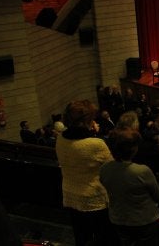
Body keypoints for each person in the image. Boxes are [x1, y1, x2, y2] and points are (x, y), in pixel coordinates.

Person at [55, 100, 115, 246]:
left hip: (71, 195)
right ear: (87, 121)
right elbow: (112, 169)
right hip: (94, 199)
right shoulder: (96, 144)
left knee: (81, 236)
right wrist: (96, 135)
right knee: (104, 237)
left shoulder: (60, 139)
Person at [100, 129, 159, 246]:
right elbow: (158, 196)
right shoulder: (142, 170)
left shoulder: (104, 168)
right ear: (133, 149)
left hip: (118, 218)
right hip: (143, 221)